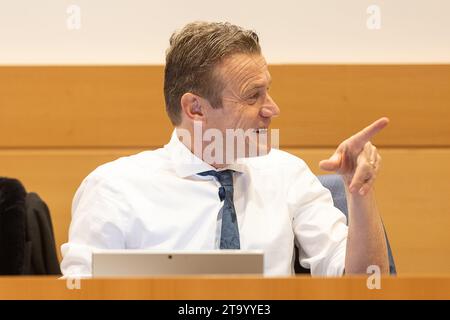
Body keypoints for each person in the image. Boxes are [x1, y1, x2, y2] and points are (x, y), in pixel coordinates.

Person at [61, 21, 389, 276]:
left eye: (268, 92)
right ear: (195, 109)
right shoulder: (113, 188)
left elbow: (364, 284)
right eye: (252, 96)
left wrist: (357, 193)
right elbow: (79, 292)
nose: (272, 109)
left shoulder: (287, 174)